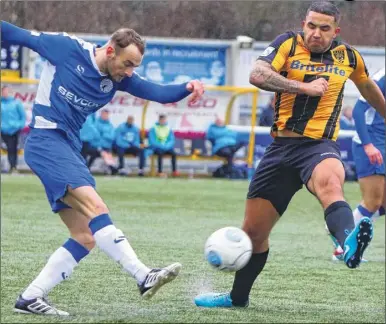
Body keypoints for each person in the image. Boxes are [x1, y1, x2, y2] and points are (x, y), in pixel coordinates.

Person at [1, 20, 204, 315]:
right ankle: (143, 275)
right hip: (46, 141)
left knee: (84, 236)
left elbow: (157, 92)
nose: (130, 72)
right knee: (98, 208)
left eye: (135, 66)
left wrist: (188, 87)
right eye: (127, 64)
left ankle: (30, 298)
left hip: (67, 147)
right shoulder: (65, 48)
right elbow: (13, 34)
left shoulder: (119, 76)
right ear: (110, 51)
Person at [194, 2, 385, 308]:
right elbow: (257, 74)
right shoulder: (286, 43)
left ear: (336, 31)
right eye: (311, 26)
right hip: (280, 150)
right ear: (303, 23)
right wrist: (303, 88)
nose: (316, 34)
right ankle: (237, 298)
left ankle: (349, 246)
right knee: (253, 232)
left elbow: (366, 86)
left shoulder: (348, 56)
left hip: (319, 146)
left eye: (324, 29)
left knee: (330, 186)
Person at [328, 68, 385, 261]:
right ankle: (342, 245)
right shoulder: (382, 78)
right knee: (373, 201)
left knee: (383, 203)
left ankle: (341, 231)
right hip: (371, 142)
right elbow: (359, 110)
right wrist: (368, 145)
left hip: (382, 141)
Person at [1, 85, 26, 173]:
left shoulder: (16, 103)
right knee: (8, 148)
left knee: (12, 148)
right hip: (2, 130)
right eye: (4, 91)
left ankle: (13, 166)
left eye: (7, 91)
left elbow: (22, 116)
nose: (5, 93)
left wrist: (19, 125)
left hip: (14, 130)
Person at [87, 109, 118, 175]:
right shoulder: (95, 123)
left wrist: (103, 134)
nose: (105, 116)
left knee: (105, 153)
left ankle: (87, 168)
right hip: (96, 146)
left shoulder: (110, 125)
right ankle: (112, 167)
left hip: (106, 147)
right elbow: (94, 136)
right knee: (101, 152)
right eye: (103, 114)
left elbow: (112, 137)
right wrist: (102, 138)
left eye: (106, 114)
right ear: (101, 114)